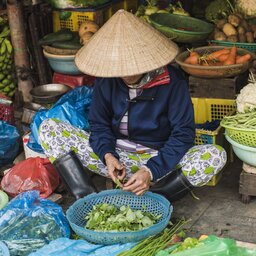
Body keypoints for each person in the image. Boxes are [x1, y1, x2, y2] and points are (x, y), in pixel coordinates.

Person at [39, 10, 226, 201]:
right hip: (118, 159)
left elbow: (183, 134)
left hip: (159, 159)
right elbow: (98, 124)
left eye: (131, 67)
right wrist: (108, 156)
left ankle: (155, 200)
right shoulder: (107, 79)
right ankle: (89, 200)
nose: (125, 73)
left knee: (215, 155)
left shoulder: (173, 81)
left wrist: (150, 171)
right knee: (49, 128)